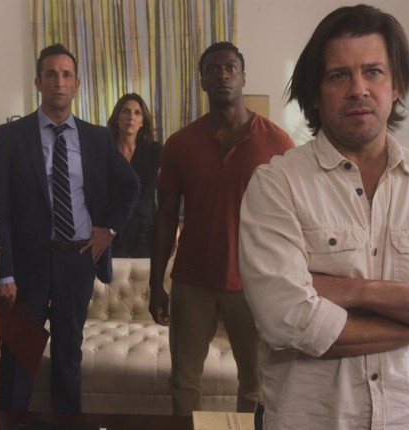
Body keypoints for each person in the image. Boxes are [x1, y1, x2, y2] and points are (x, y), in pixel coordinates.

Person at [239, 4, 409, 429]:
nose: (358, 89)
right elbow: (288, 321)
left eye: (373, 71)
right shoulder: (277, 185)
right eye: (339, 75)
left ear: (396, 84)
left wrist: (356, 291)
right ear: (314, 94)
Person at [0, 44, 140, 413]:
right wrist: (4, 272)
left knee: (69, 357)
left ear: (76, 85)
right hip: (28, 267)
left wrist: (109, 230)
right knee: (19, 357)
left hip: (77, 261)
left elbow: (131, 185)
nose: (59, 81)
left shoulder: (96, 138)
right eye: (51, 74)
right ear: (39, 83)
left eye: (66, 74)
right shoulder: (11, 137)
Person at [149, 41, 294, 416]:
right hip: (191, 282)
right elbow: (165, 217)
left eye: (231, 67)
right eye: (213, 69)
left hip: (253, 283)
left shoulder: (277, 143)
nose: (223, 75)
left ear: (243, 76)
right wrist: (155, 283)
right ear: (202, 81)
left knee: (256, 384)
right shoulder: (180, 144)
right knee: (184, 382)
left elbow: (293, 219)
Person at [107, 93, 161, 258]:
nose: (131, 117)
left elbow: (165, 192)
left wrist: (174, 230)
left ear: (142, 121)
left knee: (145, 273)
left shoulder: (154, 151)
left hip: (145, 228)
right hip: (112, 228)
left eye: (137, 113)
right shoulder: (105, 150)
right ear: (117, 118)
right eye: (126, 111)